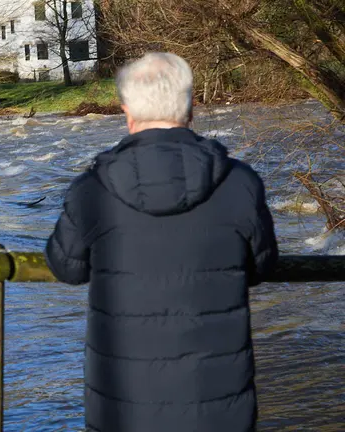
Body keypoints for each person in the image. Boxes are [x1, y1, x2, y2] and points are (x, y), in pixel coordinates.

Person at [45, 52, 278, 431]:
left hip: (123, 408)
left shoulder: (92, 189)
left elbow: (66, 267)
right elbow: (262, 265)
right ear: (190, 108)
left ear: (127, 113)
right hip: (220, 407)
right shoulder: (241, 183)